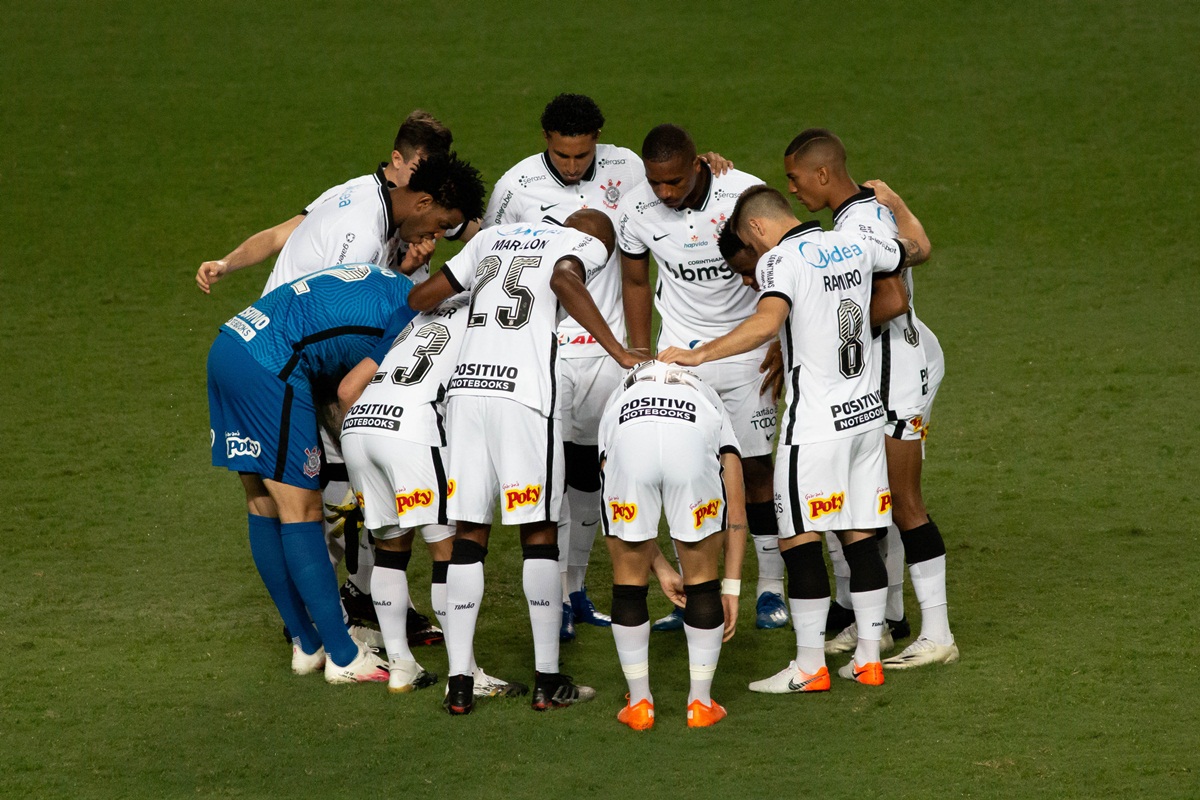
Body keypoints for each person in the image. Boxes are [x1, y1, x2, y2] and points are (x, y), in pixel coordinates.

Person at [205, 153, 485, 684]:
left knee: (263, 502)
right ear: (424, 202)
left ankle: (307, 644)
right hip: (271, 368)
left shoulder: (381, 273)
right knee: (302, 510)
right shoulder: (410, 316)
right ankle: (343, 656)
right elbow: (352, 393)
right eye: (442, 225)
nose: (438, 237)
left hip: (232, 344)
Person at [658, 184, 931, 689]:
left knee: (799, 541)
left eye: (750, 241)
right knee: (861, 536)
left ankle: (810, 668)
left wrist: (699, 354)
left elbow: (767, 320)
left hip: (816, 427)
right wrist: (898, 207)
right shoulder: (853, 241)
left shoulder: (778, 260)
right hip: (866, 418)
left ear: (757, 229)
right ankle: (869, 660)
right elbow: (918, 249)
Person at [484, 95, 733, 641]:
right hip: (543, 351)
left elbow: (678, 189)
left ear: (597, 139)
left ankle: (576, 589)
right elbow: (489, 248)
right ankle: (563, 599)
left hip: (609, 349)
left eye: (582, 154)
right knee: (553, 479)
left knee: (602, 474)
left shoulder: (627, 168)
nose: (573, 165)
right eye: (562, 155)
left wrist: (707, 165)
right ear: (545, 140)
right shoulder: (515, 185)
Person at [408, 209, 643, 714]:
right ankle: (547, 680)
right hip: (524, 397)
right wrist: (620, 351)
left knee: (470, 532)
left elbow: (420, 299)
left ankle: (460, 684)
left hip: (466, 395)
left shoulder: (491, 235)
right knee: (538, 530)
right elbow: (562, 278)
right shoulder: (586, 242)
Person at [783, 129, 958, 667]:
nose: (791, 191)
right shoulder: (864, 213)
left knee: (902, 502)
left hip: (894, 379)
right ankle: (881, 621)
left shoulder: (857, 224)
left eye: (794, 178)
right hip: (885, 372)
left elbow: (892, 299)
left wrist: (812, 326)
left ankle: (938, 634)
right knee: (871, 502)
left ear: (822, 173)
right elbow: (920, 251)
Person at [618, 124, 789, 631]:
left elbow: (783, 267)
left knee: (756, 470)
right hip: (679, 352)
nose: (665, 193)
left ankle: (770, 590)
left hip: (747, 350)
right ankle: (694, 596)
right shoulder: (634, 209)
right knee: (683, 469)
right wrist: (641, 355)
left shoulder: (743, 194)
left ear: (699, 164)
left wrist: (782, 337)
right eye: (656, 183)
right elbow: (634, 277)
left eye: (674, 181)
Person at [335, 293, 526, 697]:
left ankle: (402, 666)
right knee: (449, 548)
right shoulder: (491, 316)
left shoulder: (420, 307)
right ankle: (467, 674)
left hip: (361, 424)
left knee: (389, 550)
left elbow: (349, 387)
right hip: (412, 428)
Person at [600, 360, 747, 730]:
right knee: (701, 580)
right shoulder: (709, 399)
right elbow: (737, 512)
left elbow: (622, 507)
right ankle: (700, 704)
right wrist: (729, 588)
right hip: (691, 435)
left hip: (630, 433)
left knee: (627, 581)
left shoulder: (618, 397)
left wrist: (659, 567)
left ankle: (638, 704)